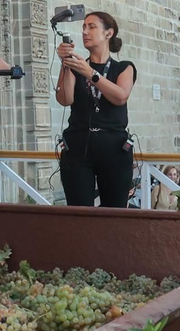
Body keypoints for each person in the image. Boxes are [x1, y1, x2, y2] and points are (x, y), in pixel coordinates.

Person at [55, 11, 136, 207]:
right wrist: (66, 65)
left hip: (114, 147)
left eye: (91, 27)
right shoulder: (77, 67)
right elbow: (65, 99)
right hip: (78, 144)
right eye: (83, 27)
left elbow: (120, 97)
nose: (85, 32)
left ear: (109, 33)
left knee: (115, 211)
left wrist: (91, 73)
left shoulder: (124, 67)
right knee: (79, 211)